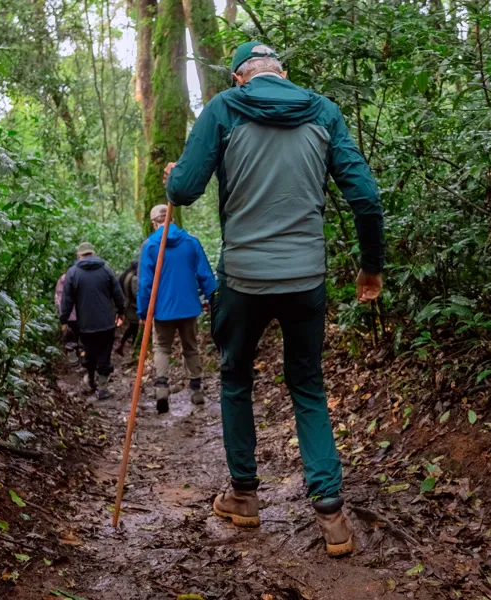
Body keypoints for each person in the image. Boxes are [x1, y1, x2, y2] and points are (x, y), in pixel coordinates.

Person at [163, 42, 385, 557]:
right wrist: (371, 267)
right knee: (307, 384)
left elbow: (186, 190)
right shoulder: (323, 111)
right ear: (282, 74)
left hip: (243, 278)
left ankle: (244, 496)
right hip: (306, 278)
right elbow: (367, 198)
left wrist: (174, 179)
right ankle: (331, 513)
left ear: (240, 78)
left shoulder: (224, 108)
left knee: (235, 376)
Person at [138, 204, 217, 414]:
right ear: (172, 219)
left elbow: (145, 283)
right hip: (189, 306)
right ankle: (196, 388)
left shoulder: (150, 246)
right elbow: (205, 275)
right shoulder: (191, 242)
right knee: (190, 347)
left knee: (162, 347)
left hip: (162, 309)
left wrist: (143, 311)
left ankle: (162, 389)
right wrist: (214, 299)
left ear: (154, 223)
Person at [58, 242, 125, 400]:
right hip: (106, 322)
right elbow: (117, 293)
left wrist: (64, 320)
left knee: (89, 351)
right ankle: (103, 387)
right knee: (105, 352)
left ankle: (91, 381)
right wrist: (121, 311)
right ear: (93, 253)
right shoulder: (106, 269)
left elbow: (67, 300)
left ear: (79, 255)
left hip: (86, 323)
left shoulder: (73, 273)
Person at [115, 259, 141, 356]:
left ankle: (122, 345)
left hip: (128, 305)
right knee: (135, 327)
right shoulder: (133, 279)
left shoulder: (125, 275)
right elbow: (136, 294)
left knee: (133, 327)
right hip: (133, 307)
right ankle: (133, 349)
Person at [55, 273, 81, 367]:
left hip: (66, 315)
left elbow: (57, 298)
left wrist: (60, 313)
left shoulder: (61, 281)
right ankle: (78, 357)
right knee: (78, 336)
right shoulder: (78, 279)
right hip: (78, 315)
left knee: (71, 337)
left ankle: (73, 357)